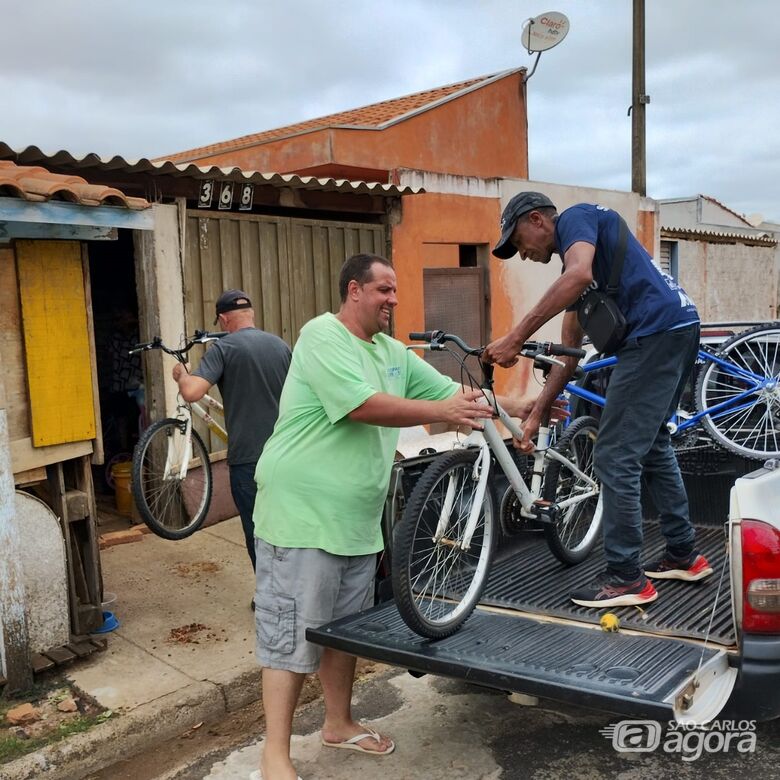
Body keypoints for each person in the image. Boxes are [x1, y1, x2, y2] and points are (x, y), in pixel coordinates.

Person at [252, 253, 543, 780]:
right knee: (291, 635)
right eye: (383, 289)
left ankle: (338, 722)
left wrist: (513, 406)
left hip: (357, 520)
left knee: (342, 632)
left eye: (395, 290)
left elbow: (450, 394)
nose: (392, 299)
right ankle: (276, 752)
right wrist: (444, 413)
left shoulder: (391, 352)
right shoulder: (322, 336)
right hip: (301, 513)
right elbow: (360, 405)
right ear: (353, 290)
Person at [483, 191, 713, 610]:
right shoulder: (581, 272)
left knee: (614, 455)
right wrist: (535, 415)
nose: (524, 254)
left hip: (655, 335)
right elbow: (568, 358)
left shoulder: (576, 222)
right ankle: (683, 554)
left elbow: (575, 276)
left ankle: (626, 577)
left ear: (538, 220)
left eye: (519, 242)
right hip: (678, 328)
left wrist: (516, 336)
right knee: (654, 444)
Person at [172, 290, 291, 575]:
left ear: (224, 320)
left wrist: (181, 375)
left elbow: (191, 392)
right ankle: (294, 589)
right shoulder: (281, 346)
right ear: (251, 314)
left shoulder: (224, 349)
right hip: (288, 456)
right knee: (290, 527)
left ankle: (268, 596)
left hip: (249, 459)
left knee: (257, 530)